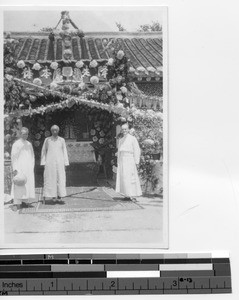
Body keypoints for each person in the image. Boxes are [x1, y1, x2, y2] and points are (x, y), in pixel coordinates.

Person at [41, 125, 69, 200]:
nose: (54, 132)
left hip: (60, 162)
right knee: (51, 178)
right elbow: (44, 151)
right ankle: (53, 195)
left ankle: (60, 195)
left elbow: (64, 151)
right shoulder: (47, 140)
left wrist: (65, 163)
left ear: (58, 131)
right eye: (53, 130)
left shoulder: (62, 140)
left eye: (56, 130)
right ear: (51, 131)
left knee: (60, 178)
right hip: (50, 162)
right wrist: (43, 162)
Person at [116, 123, 142, 200]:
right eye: (123, 129)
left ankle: (131, 195)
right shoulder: (121, 139)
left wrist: (136, 161)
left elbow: (137, 150)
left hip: (130, 160)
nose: (124, 131)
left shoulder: (133, 138)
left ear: (128, 130)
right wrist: (118, 161)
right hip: (122, 160)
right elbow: (119, 150)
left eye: (125, 129)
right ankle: (126, 195)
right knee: (124, 177)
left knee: (130, 177)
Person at [11, 127, 35, 210]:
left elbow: (32, 156)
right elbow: (14, 157)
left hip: (28, 167)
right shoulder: (16, 144)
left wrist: (31, 166)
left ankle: (25, 201)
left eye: (27, 134)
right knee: (18, 183)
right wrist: (15, 169)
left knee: (27, 184)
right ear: (20, 134)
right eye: (24, 134)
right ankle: (16, 203)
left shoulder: (29, 144)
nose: (25, 135)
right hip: (19, 167)